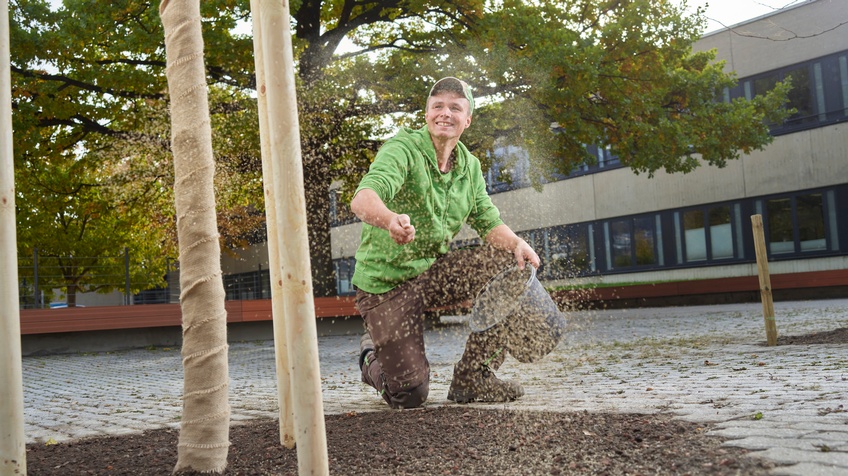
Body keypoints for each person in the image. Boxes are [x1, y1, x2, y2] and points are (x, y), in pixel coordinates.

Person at [350, 77, 540, 409]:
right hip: (385, 285)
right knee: (409, 395)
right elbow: (364, 197)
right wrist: (390, 219)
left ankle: (474, 377)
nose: (445, 113)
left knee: (511, 266)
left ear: (467, 119)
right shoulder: (403, 149)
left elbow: (488, 221)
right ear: (426, 114)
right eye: (437, 105)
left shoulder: (469, 166)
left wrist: (516, 243)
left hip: (432, 274)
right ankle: (372, 354)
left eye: (455, 107)